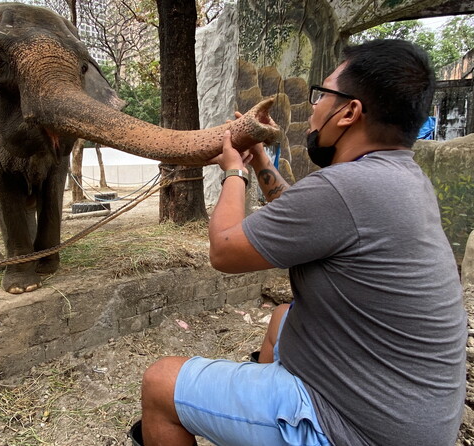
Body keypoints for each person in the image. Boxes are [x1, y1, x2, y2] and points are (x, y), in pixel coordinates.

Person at [138, 39, 467, 446]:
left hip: (354, 428)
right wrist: (259, 159)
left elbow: (224, 249)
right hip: (413, 415)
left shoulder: (344, 187)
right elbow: (306, 213)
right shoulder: (402, 178)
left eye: (322, 95)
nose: (314, 108)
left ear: (349, 112)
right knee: (281, 320)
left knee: (159, 384)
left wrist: (233, 172)